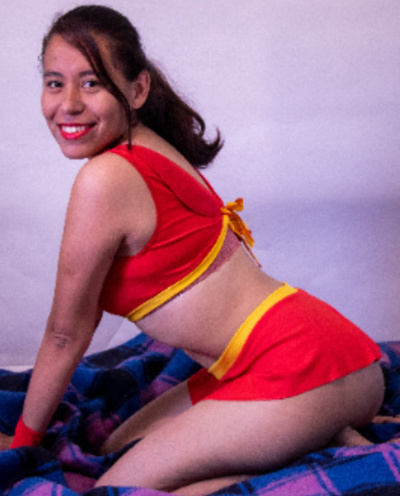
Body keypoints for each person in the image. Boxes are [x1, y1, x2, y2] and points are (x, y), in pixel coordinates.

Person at [0, 5, 385, 495]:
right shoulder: (149, 144)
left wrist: (22, 447)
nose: (69, 104)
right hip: (341, 359)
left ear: (138, 89)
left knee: (115, 491)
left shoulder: (105, 178)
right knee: (116, 446)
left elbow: (65, 334)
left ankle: (298, 443)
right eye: (55, 83)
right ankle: (311, 435)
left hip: (301, 368)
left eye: (92, 83)